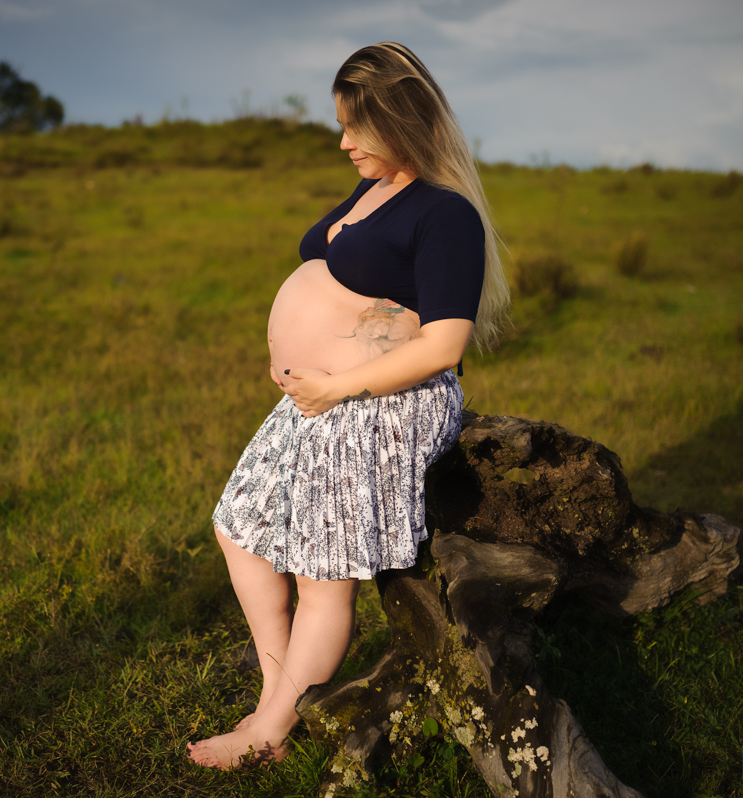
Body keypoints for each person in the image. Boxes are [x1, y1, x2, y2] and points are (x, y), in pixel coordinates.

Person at [187, 42, 509, 770]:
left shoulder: (444, 212)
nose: (344, 143)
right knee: (239, 529)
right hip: (317, 402)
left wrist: (336, 385)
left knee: (320, 574)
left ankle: (268, 734)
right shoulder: (374, 191)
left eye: (357, 129)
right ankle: (284, 689)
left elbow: (445, 345)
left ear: (402, 121)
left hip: (376, 407)